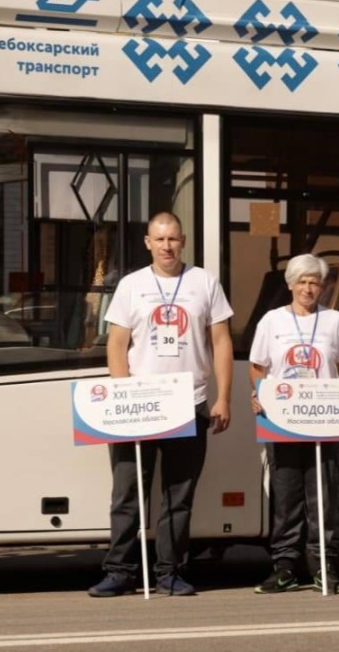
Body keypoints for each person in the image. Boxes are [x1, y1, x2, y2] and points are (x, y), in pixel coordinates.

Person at [88, 211, 234, 597]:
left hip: (191, 403)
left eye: (173, 239)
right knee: (127, 494)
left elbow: (221, 341)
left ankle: (171, 571)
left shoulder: (204, 282)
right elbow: (116, 345)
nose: (167, 246)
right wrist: (123, 396)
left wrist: (222, 397)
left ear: (182, 241)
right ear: (147, 243)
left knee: (178, 496)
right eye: (159, 239)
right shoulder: (132, 286)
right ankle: (119, 571)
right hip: (140, 405)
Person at [248, 254, 339, 595]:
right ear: (290, 284)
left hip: (324, 422)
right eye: (302, 281)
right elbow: (257, 367)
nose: (309, 288)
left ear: (322, 287)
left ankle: (323, 566)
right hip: (283, 422)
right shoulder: (271, 321)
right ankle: (284, 568)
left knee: (322, 496)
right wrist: (258, 393)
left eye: (315, 282)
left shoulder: (335, 320)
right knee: (286, 496)